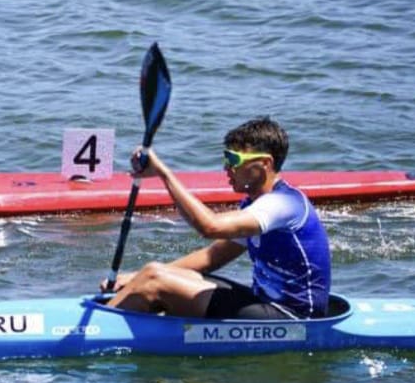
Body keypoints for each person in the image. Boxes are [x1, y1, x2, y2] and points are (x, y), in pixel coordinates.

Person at [106, 117, 331, 319]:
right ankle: (122, 310)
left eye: (233, 159)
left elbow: (209, 227)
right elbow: (211, 257)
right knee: (153, 273)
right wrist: (136, 277)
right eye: (226, 157)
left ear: (265, 164)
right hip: (263, 302)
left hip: (294, 318)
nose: (226, 167)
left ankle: (99, 325)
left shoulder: (282, 205)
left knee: (154, 279)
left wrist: (164, 174)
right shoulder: (254, 206)